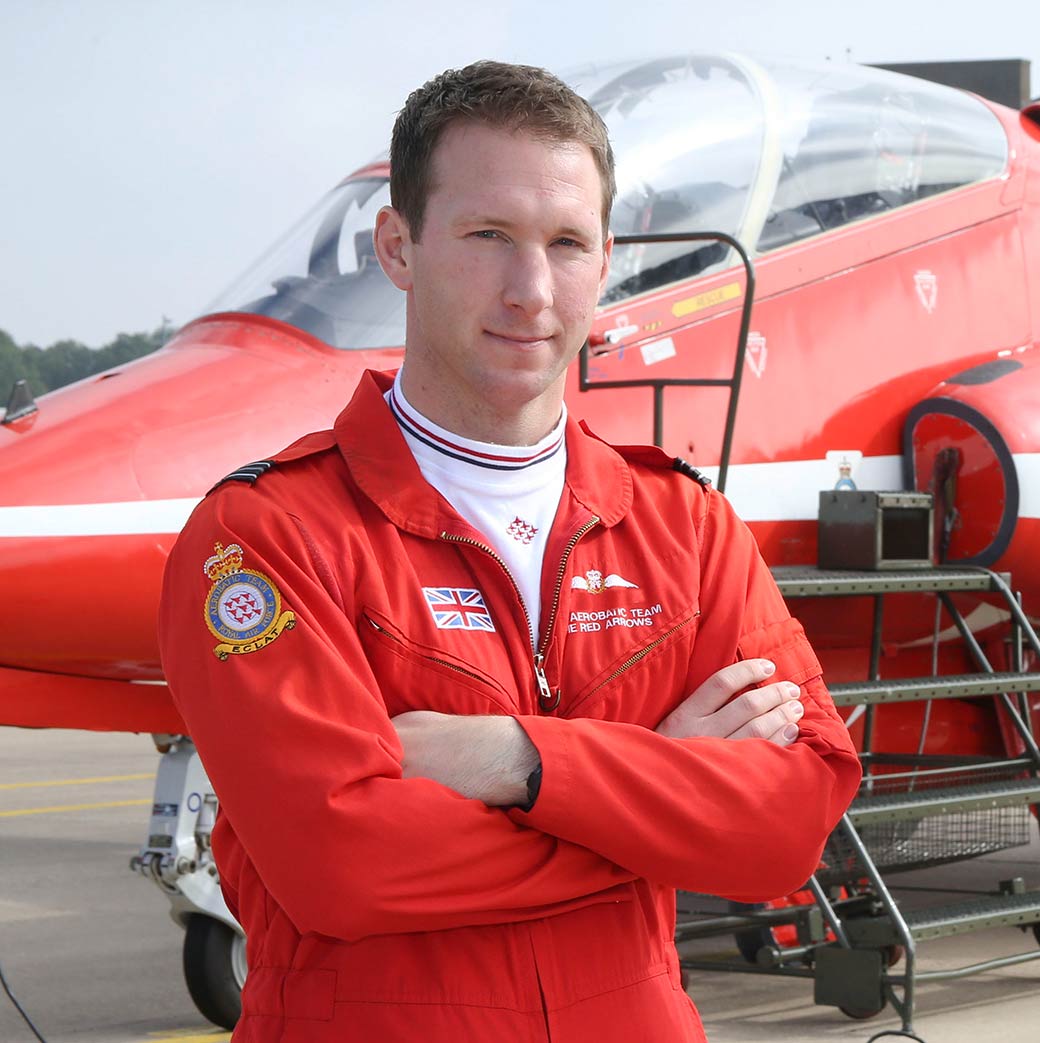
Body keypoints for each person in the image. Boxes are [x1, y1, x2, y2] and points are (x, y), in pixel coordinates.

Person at [157, 61, 860, 1041]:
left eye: (566, 243)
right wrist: (663, 785)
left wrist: (519, 760)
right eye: (488, 236)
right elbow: (341, 866)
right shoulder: (268, 535)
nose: (531, 290)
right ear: (398, 247)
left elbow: (789, 828)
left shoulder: (685, 526)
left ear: (605, 259)